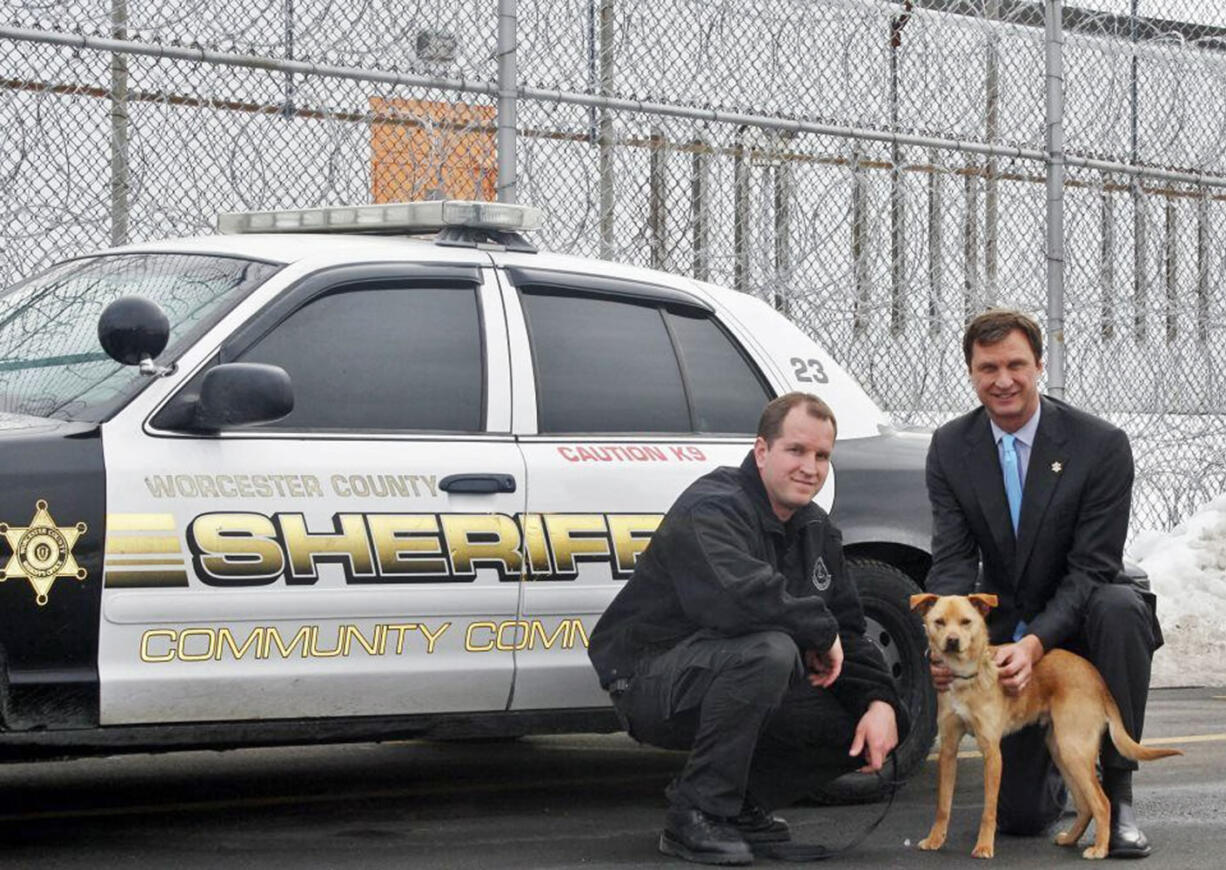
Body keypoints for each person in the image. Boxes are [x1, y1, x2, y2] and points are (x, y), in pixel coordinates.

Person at [588, 392, 908, 866]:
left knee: (867, 721)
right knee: (770, 649)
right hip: (648, 677)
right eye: (795, 451)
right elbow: (739, 599)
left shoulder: (817, 529)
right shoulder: (712, 507)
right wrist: (820, 631)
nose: (810, 467)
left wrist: (880, 701)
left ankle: (740, 808)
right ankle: (696, 813)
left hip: (733, 674)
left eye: (821, 456)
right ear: (761, 451)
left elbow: (848, 628)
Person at [925, 308, 1162, 858]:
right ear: (971, 371)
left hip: (1082, 620)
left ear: (1039, 365)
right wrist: (941, 637)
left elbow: (1092, 567)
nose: (1002, 380)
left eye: (1015, 365)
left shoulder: (1098, 444)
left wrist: (1037, 643)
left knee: (1121, 606)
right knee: (1024, 819)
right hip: (1005, 633)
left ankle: (1119, 795)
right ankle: (1064, 759)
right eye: (988, 368)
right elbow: (954, 560)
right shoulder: (951, 447)